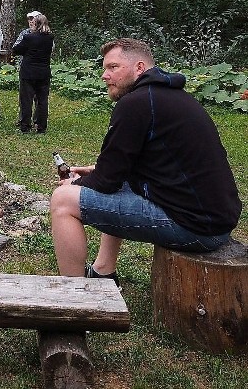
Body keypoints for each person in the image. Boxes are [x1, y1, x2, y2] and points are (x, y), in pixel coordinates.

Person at [50, 38, 242, 283]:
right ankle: (103, 272)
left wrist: (74, 185)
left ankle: (74, 294)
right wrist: (95, 172)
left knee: (62, 201)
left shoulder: (136, 103)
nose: (104, 75)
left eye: (113, 67)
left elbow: (107, 181)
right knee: (117, 185)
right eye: (104, 68)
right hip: (212, 218)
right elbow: (125, 167)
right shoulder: (169, 95)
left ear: (139, 68)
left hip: (195, 228)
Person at [12, 12, 54, 133]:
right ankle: (41, 126)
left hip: (28, 72)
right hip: (43, 72)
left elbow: (16, 49)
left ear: (37, 24)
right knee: (42, 100)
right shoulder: (50, 38)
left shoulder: (29, 37)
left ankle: (25, 125)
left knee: (26, 100)